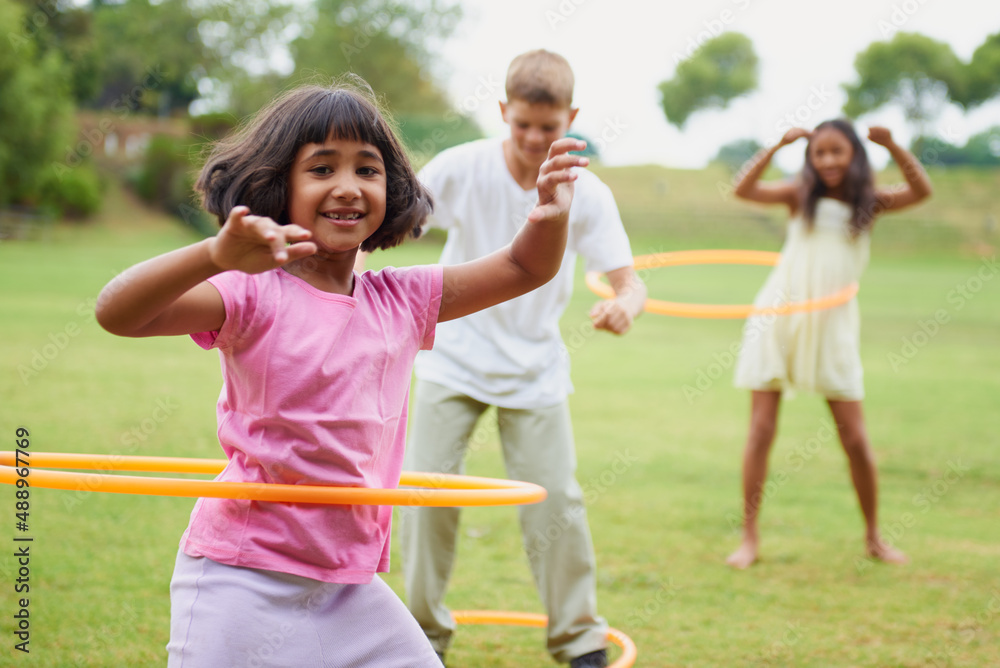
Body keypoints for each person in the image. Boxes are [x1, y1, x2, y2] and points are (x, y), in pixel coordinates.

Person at [93, 80, 589, 667]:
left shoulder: (402, 300)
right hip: (244, 574)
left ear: (392, 187)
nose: (348, 188)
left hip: (346, 583)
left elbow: (520, 266)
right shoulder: (250, 295)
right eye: (322, 169)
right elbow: (118, 312)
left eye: (368, 170)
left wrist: (550, 215)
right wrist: (213, 256)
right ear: (280, 185)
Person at [399, 50, 647, 668]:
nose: (536, 139)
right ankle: (419, 641)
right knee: (426, 493)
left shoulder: (587, 193)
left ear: (572, 117)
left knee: (556, 502)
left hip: (534, 366)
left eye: (549, 126)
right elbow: (398, 226)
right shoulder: (462, 167)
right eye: (523, 125)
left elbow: (628, 280)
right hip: (451, 354)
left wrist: (625, 305)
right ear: (504, 112)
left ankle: (579, 640)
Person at [725, 120, 932, 570]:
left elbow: (921, 192)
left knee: (855, 438)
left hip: (833, 324)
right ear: (810, 159)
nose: (829, 161)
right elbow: (743, 190)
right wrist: (775, 144)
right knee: (761, 431)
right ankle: (749, 537)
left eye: (838, 152)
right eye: (819, 153)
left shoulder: (870, 203)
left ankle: (875, 537)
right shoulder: (800, 195)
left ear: (855, 155)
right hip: (779, 316)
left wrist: (894, 145)